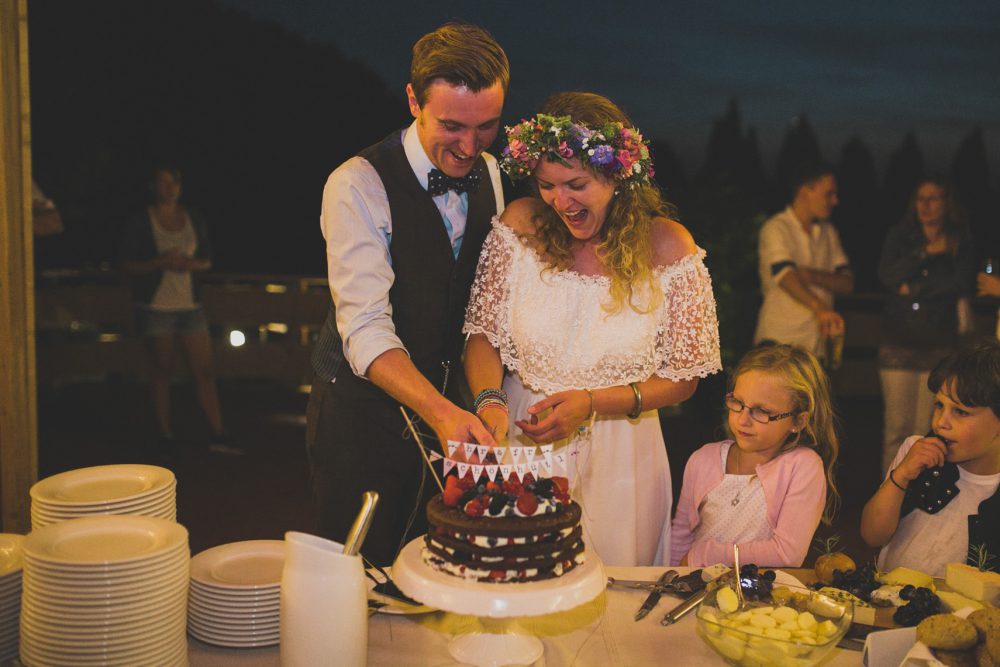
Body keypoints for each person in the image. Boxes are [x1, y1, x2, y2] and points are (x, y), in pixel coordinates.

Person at [463, 92, 722, 566]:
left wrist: (592, 403)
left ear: (616, 174)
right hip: (522, 437)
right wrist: (490, 402)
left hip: (622, 456)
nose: (560, 201)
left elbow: (686, 378)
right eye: (546, 185)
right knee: (517, 594)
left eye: (576, 184)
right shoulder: (520, 225)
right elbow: (482, 334)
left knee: (614, 613)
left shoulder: (668, 247)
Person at [306, 23, 508, 566]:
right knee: (355, 574)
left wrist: (478, 399)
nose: (470, 147)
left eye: (486, 126)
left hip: (451, 412)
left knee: (440, 570)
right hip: (361, 417)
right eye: (452, 126)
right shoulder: (356, 183)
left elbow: (480, 302)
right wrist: (441, 413)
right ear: (413, 100)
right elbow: (366, 328)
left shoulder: (491, 173)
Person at [670, 344, 839, 567]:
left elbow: (787, 554)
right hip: (695, 590)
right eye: (738, 403)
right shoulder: (703, 459)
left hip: (763, 596)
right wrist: (671, 576)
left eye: (761, 412)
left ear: (798, 421)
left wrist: (705, 556)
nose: (743, 420)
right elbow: (680, 535)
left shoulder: (802, 467)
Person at [121, 166, 240, 457]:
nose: (170, 187)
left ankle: (218, 432)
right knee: (162, 371)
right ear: (153, 186)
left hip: (190, 306)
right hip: (156, 306)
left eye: (174, 181)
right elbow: (126, 263)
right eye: (163, 182)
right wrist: (159, 262)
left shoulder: (193, 218)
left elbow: (207, 259)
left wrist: (190, 264)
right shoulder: (142, 220)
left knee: (205, 370)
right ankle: (164, 433)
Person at [860, 340, 1000, 577]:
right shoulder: (915, 452)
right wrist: (901, 476)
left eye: (961, 412)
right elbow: (872, 535)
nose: (941, 422)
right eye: (938, 405)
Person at [876, 178, 976, 473]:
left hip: (938, 342)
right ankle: (889, 491)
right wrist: (925, 253)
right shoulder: (900, 235)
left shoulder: (960, 238)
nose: (926, 205)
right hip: (898, 339)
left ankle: (916, 498)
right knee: (895, 429)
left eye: (934, 199)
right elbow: (887, 274)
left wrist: (914, 288)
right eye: (921, 198)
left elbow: (961, 282)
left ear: (947, 203)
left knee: (925, 431)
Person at [754, 164, 854, 360]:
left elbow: (847, 283)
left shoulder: (828, 232)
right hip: (780, 341)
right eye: (829, 194)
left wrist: (810, 275)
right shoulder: (776, 228)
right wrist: (821, 308)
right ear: (804, 192)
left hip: (817, 344)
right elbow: (785, 277)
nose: (835, 200)